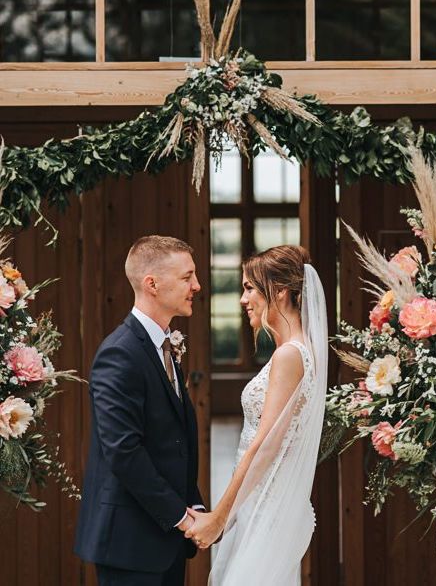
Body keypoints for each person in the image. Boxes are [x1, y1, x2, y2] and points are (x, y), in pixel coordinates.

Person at [183, 245, 328, 586]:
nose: (242, 299)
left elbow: (265, 445)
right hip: (262, 504)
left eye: (249, 287)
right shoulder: (295, 350)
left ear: (280, 291)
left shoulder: (290, 355)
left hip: (268, 507)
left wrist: (220, 516)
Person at [74, 235, 206, 586]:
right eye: (186, 277)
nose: (196, 285)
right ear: (152, 284)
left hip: (165, 540)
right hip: (130, 544)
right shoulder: (120, 353)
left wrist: (197, 508)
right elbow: (124, 451)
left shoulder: (162, 345)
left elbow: (173, 443)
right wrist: (182, 517)